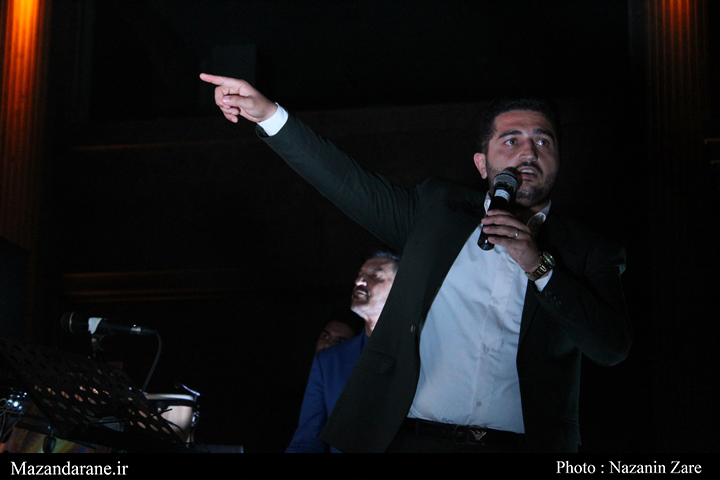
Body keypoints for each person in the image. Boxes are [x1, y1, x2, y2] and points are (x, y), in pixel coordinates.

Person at [199, 73, 632, 453]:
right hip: (413, 440)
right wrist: (269, 115)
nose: (528, 153)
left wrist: (539, 266)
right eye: (511, 140)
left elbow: (611, 347)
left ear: (557, 159)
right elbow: (347, 182)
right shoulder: (436, 212)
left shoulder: (589, 251)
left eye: (542, 140)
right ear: (483, 164)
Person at [286, 249, 400, 453]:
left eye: (374, 275)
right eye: (359, 275)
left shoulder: (422, 353)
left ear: (402, 288)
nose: (359, 281)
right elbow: (307, 441)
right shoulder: (329, 362)